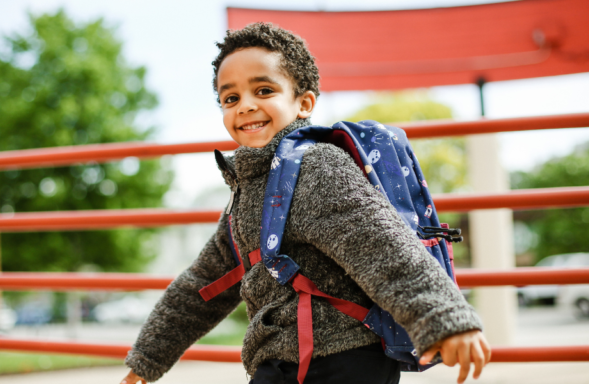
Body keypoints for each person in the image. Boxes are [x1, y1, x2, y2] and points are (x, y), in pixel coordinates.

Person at [122, 22, 490, 384]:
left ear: (304, 103)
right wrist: (148, 359)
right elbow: (205, 283)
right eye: (230, 98)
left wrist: (444, 319)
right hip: (284, 360)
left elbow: (382, 246)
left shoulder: (315, 166)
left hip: (340, 361)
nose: (246, 106)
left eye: (263, 90)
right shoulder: (249, 188)